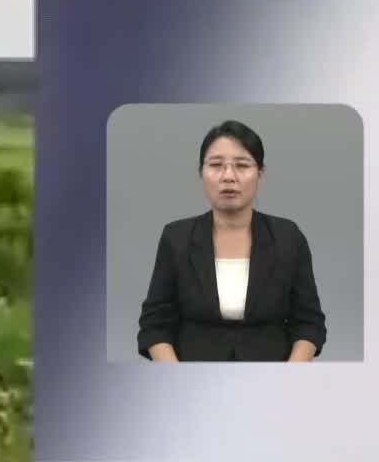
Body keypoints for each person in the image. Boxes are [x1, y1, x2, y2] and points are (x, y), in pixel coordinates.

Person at [136, 120, 327, 362]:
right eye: (216, 165)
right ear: (200, 172)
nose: (228, 176)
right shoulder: (177, 238)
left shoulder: (287, 237)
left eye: (242, 165)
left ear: (260, 174)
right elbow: (155, 324)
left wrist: (290, 377)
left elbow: (309, 323)